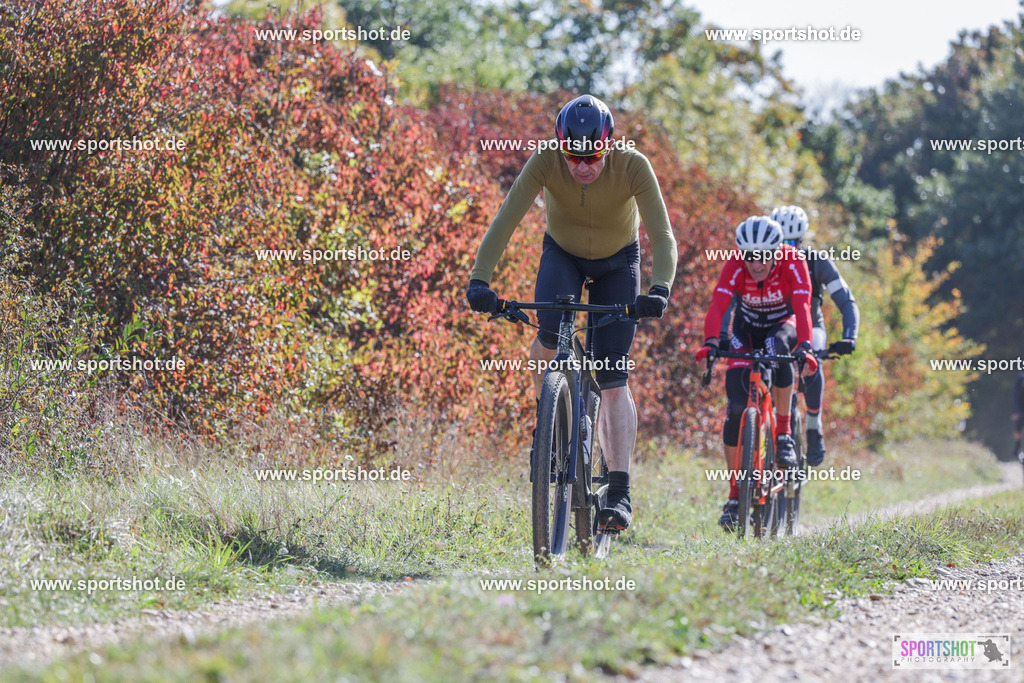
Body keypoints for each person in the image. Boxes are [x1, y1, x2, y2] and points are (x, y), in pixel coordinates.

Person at [465, 94, 678, 532]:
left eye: (592, 157)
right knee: (548, 333)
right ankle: (551, 422)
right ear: (561, 146)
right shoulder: (545, 160)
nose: (582, 167)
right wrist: (480, 279)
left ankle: (618, 490)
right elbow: (506, 219)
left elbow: (662, 233)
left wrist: (659, 289)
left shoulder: (633, 164)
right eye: (573, 157)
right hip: (562, 255)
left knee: (613, 373)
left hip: (619, 262)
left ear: (609, 144)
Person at [694, 216, 817, 532]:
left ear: (778, 251)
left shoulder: (793, 261)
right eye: (750, 255)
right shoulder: (734, 264)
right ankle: (735, 495)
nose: (757, 263)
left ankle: (785, 433)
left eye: (764, 255)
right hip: (746, 328)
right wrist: (710, 343)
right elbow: (718, 306)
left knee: (779, 351)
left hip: (782, 325)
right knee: (736, 408)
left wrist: (805, 346)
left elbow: (802, 307)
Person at [770, 205, 860, 466]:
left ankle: (813, 425)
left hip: (812, 327)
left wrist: (849, 336)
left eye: (791, 242)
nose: (786, 247)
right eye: (780, 241)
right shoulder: (763, 261)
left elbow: (846, 301)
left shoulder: (816, 261)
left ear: (801, 240)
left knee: (812, 361)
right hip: (775, 326)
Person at [1013, 371, 1024, 461]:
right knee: (1018, 429)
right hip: (1020, 410)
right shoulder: (1020, 378)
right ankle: (1017, 448)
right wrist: (1016, 411)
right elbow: (1016, 396)